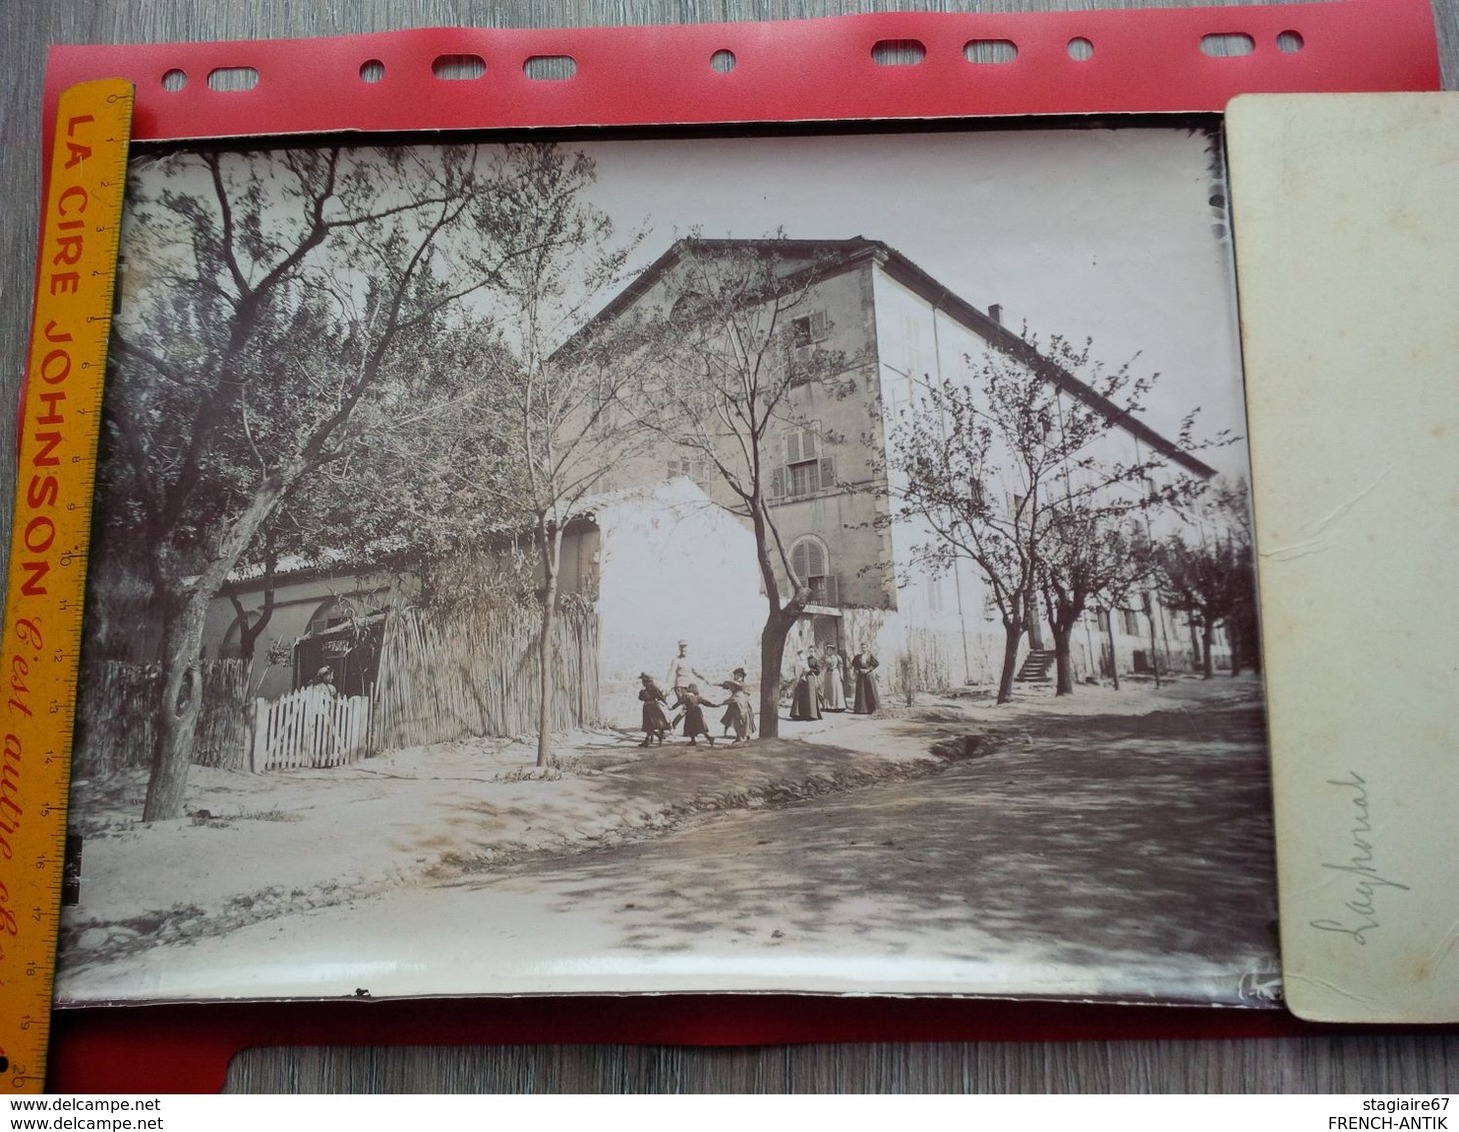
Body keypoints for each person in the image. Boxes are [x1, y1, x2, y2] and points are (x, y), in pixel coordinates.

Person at [637, 673, 671, 747]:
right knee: (656, 723)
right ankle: (652, 739)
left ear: (645, 681)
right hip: (654, 705)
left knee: (649, 724)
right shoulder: (653, 687)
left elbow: (641, 698)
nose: (642, 682)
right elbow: (659, 696)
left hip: (648, 706)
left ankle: (651, 739)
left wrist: (642, 692)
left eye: (642, 680)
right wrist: (665, 702)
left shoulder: (647, 688)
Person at [789, 649, 822, 721]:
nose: (811, 653)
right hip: (802, 678)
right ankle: (798, 714)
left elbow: (818, 671)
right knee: (800, 695)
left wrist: (810, 670)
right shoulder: (804, 659)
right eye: (810, 651)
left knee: (810, 696)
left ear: (814, 653)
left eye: (812, 651)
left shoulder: (816, 661)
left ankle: (811, 714)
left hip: (810, 679)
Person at [719, 679, 753, 743]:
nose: (730, 688)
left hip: (741, 714)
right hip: (738, 713)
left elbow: (731, 700)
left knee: (740, 726)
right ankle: (739, 738)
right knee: (737, 726)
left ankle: (741, 740)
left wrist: (719, 704)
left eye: (731, 686)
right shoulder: (736, 693)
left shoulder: (738, 694)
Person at [851, 644, 880, 714]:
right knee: (861, 692)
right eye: (862, 648)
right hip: (861, 675)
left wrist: (868, 670)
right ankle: (861, 710)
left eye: (864, 647)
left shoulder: (870, 656)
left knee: (870, 690)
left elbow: (876, 664)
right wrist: (858, 669)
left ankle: (872, 709)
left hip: (868, 674)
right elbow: (854, 664)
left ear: (867, 648)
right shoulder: (858, 657)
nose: (863, 649)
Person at [820, 645, 847, 712]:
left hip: (835, 673)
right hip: (828, 674)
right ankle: (828, 706)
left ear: (833, 650)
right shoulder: (825, 657)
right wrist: (824, 668)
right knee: (828, 689)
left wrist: (841, 675)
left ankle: (837, 706)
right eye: (828, 650)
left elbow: (840, 666)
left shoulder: (837, 657)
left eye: (831, 650)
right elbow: (820, 664)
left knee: (835, 688)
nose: (830, 651)